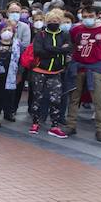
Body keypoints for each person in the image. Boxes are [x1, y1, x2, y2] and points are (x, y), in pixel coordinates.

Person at [66, 3, 101, 141]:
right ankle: (71, 125)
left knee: (99, 100)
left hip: (96, 68)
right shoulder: (76, 29)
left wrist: (100, 59)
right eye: (84, 16)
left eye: (90, 16)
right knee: (74, 98)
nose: (87, 18)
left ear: (97, 16)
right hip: (78, 67)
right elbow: (73, 46)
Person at [29, 8, 72, 138]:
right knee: (37, 98)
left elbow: (69, 48)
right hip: (39, 71)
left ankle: (55, 126)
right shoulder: (41, 34)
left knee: (56, 99)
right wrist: (59, 50)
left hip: (56, 72)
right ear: (47, 22)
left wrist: (50, 49)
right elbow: (38, 51)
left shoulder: (65, 34)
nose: (54, 22)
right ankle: (35, 123)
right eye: (51, 21)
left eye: (56, 20)